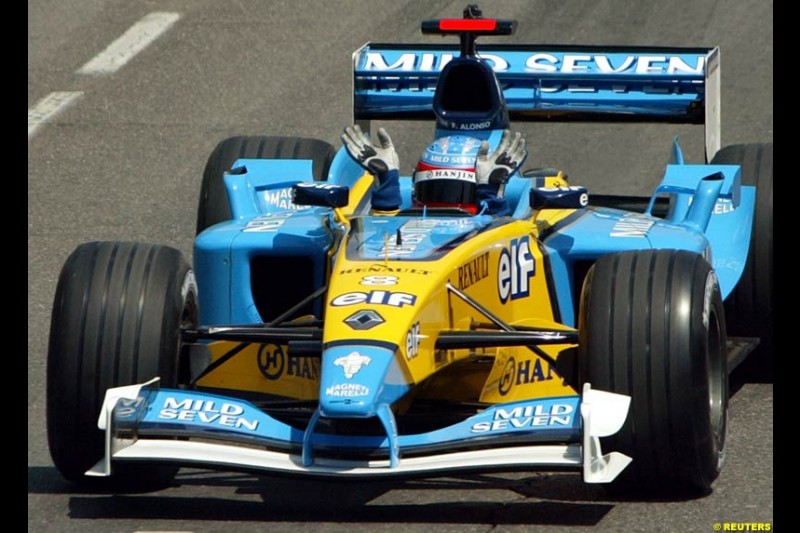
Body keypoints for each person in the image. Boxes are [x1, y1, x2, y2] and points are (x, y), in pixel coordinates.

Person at [341, 125, 527, 216]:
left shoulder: (490, 232)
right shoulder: (403, 227)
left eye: (457, 192)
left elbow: (500, 234)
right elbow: (381, 231)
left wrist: (492, 198)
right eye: (436, 191)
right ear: (416, 189)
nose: (445, 204)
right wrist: (386, 181)